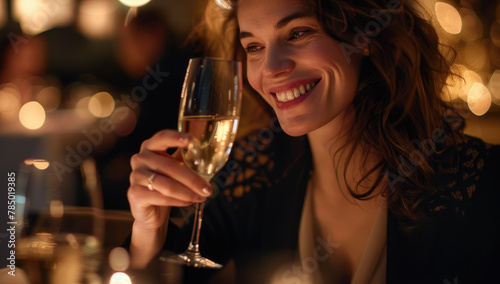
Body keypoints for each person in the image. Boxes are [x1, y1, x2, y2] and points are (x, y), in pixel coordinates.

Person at [125, 0, 500, 283]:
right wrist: (148, 232)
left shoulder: (480, 183)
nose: (271, 68)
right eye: (254, 46)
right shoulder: (253, 175)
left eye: (298, 33)